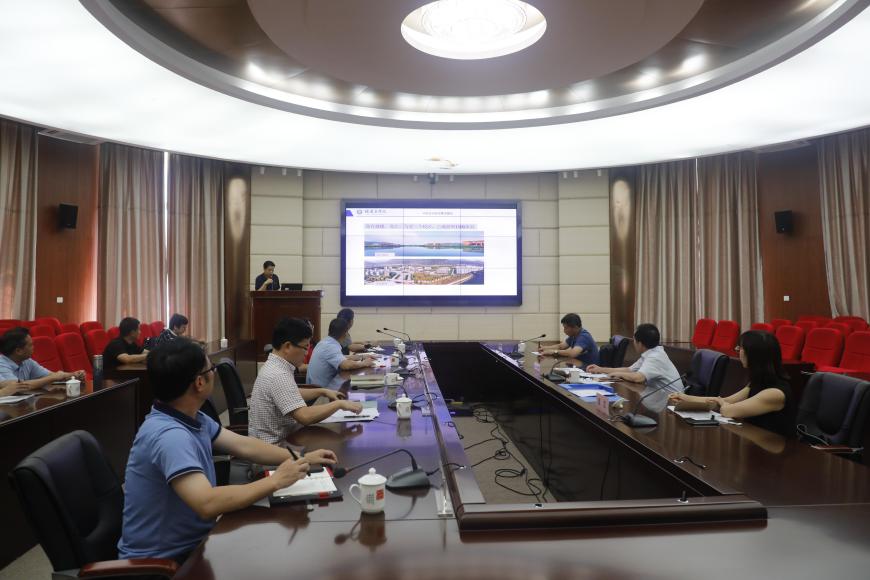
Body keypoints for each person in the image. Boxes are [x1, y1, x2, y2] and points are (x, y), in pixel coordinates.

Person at [118, 338, 337, 563]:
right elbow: (207, 503)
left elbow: (244, 445)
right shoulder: (169, 436)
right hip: (164, 563)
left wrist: (302, 457)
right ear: (199, 382)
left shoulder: (191, 416)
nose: (213, 373)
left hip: (194, 544)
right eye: (210, 369)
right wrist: (276, 481)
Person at [248, 317, 364, 444]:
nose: (307, 353)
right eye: (305, 347)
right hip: (276, 448)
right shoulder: (278, 375)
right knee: (333, 444)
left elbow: (290, 392)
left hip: (285, 438)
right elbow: (305, 416)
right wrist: (339, 404)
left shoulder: (274, 365)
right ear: (287, 346)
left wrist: (323, 391)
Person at [669, 330, 795, 436]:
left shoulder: (775, 393)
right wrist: (685, 398)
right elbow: (727, 400)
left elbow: (729, 411)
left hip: (775, 450)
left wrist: (721, 402)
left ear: (754, 354)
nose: (736, 349)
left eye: (741, 347)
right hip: (755, 440)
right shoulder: (758, 382)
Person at [587, 323, 682, 394]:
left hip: (673, 402)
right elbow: (629, 370)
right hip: (660, 397)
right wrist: (600, 369)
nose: (634, 343)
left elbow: (638, 378)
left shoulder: (656, 357)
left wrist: (617, 374)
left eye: (634, 340)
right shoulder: (651, 353)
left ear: (640, 343)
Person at [0, 327, 85, 396]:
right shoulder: (2, 364)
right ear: (18, 351)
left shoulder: (26, 361)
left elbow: (51, 375)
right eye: (30, 345)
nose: (33, 347)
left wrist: (73, 375)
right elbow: (18, 387)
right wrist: (53, 378)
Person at [306, 318, 375, 388]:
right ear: (345, 334)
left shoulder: (325, 342)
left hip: (317, 386)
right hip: (322, 390)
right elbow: (346, 365)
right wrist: (364, 363)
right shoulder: (330, 346)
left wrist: (361, 357)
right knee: (359, 385)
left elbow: (340, 357)